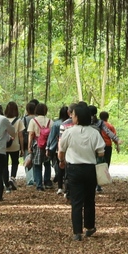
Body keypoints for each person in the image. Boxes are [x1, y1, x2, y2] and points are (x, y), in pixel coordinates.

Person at [57, 102, 105, 240]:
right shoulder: (94, 132)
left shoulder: (69, 132)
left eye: (73, 115)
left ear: (77, 117)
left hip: (74, 169)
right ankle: (89, 227)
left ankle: (77, 232)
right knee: (89, 199)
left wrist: (62, 161)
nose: (72, 117)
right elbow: (101, 153)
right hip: (90, 169)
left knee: (76, 200)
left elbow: (61, 151)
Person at [28, 103, 53, 190]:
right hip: (47, 144)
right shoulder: (50, 121)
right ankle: (47, 181)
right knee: (47, 163)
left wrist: (29, 146)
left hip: (37, 144)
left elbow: (31, 134)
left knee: (37, 164)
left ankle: (39, 185)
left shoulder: (33, 121)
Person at [48, 105, 71, 195]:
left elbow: (51, 136)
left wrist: (48, 147)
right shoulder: (72, 123)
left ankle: (60, 187)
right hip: (69, 149)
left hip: (59, 149)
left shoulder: (57, 123)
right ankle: (67, 187)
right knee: (68, 169)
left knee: (60, 168)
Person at [4, 101, 24, 191]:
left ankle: (6, 183)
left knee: (4, 164)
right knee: (15, 162)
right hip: (15, 145)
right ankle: (12, 178)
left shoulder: (3, 120)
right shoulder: (19, 121)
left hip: (4, 146)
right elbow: (20, 135)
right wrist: (22, 148)